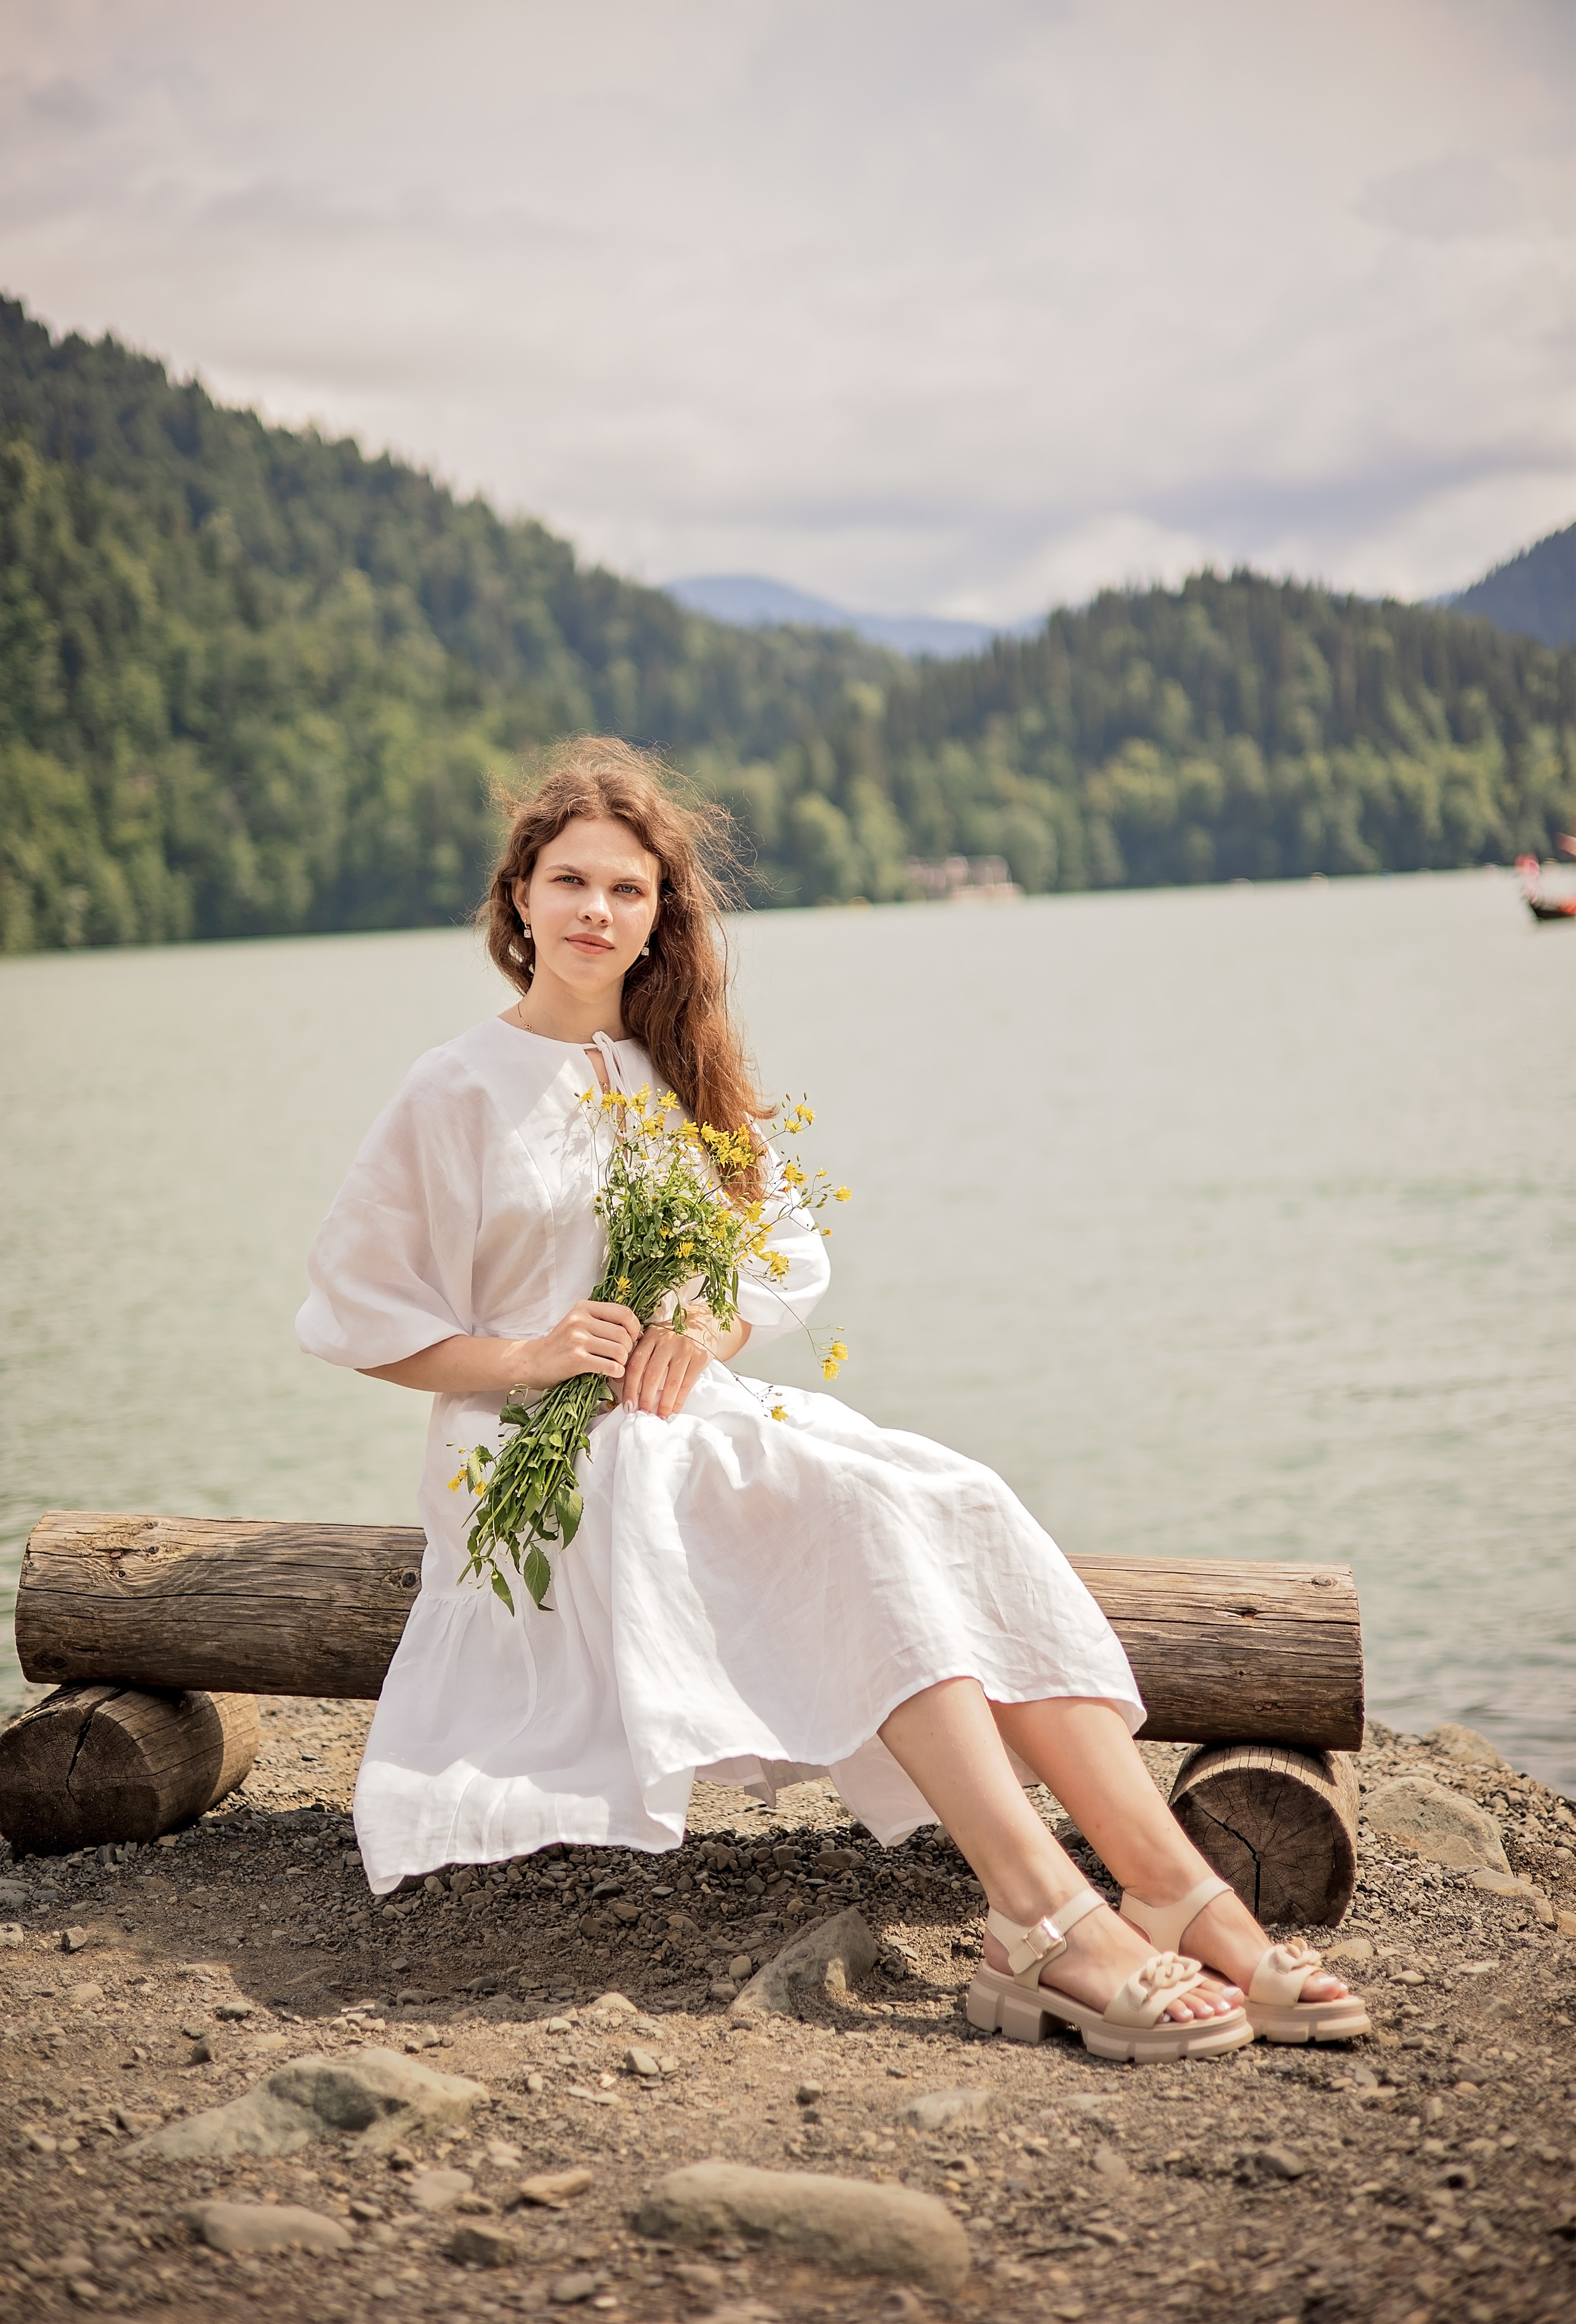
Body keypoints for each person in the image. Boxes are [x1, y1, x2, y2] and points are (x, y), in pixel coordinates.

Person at [297, 739, 1368, 2062]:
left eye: (627, 890)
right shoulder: (453, 1086)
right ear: (518, 896)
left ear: (659, 916)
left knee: (945, 1496)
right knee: (846, 1511)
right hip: (536, 1459)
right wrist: (528, 1355)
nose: (595, 912)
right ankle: (1038, 1913)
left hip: (688, 1417)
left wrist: (707, 1323)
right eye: (568, 881)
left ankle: (1164, 1885)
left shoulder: (679, 1067)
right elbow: (358, 1317)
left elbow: (786, 1250)